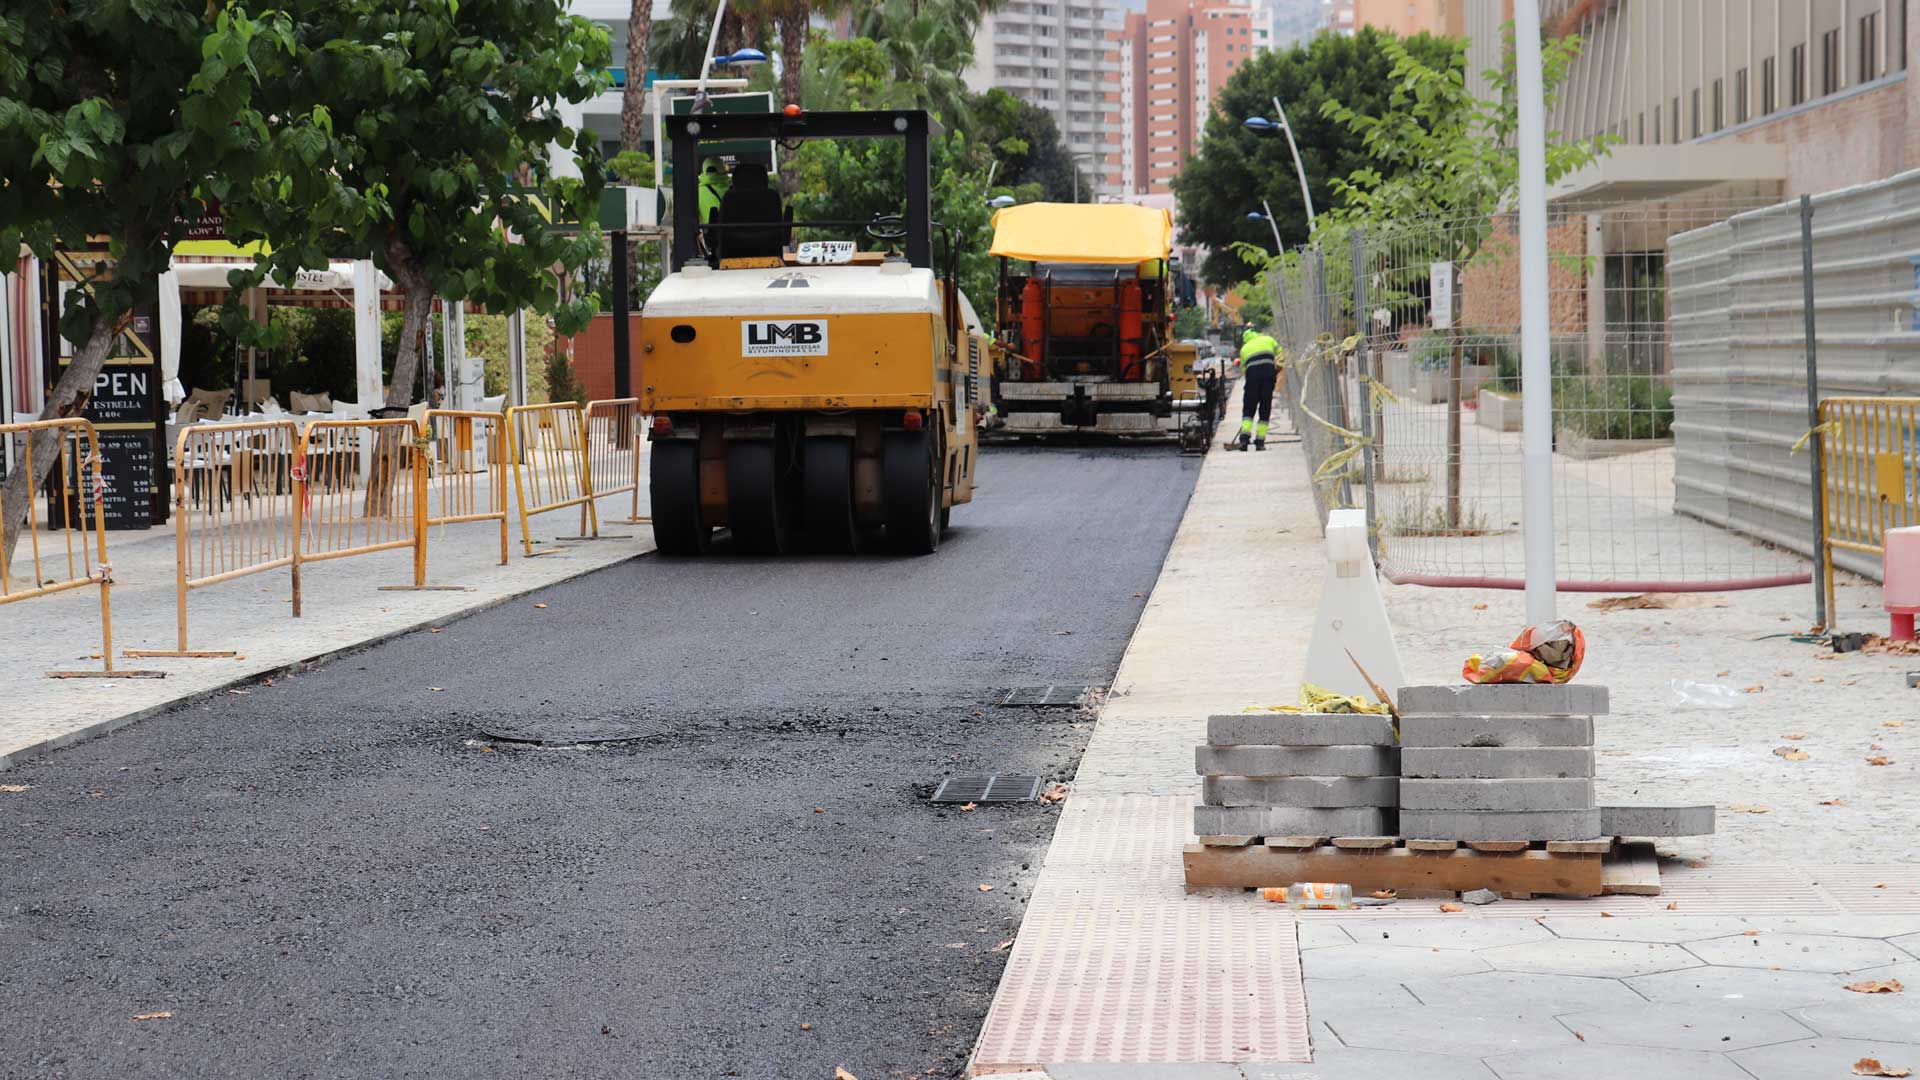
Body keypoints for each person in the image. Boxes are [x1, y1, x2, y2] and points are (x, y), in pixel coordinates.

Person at [1229, 326, 1282, 450]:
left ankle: (1244, 440)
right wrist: (1277, 368)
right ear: (1257, 334)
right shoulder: (1269, 339)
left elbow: (1244, 371)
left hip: (1252, 380)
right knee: (1265, 408)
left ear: (1245, 339)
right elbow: (1281, 354)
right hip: (1268, 378)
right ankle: (1260, 442)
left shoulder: (1244, 349)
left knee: (1248, 409)